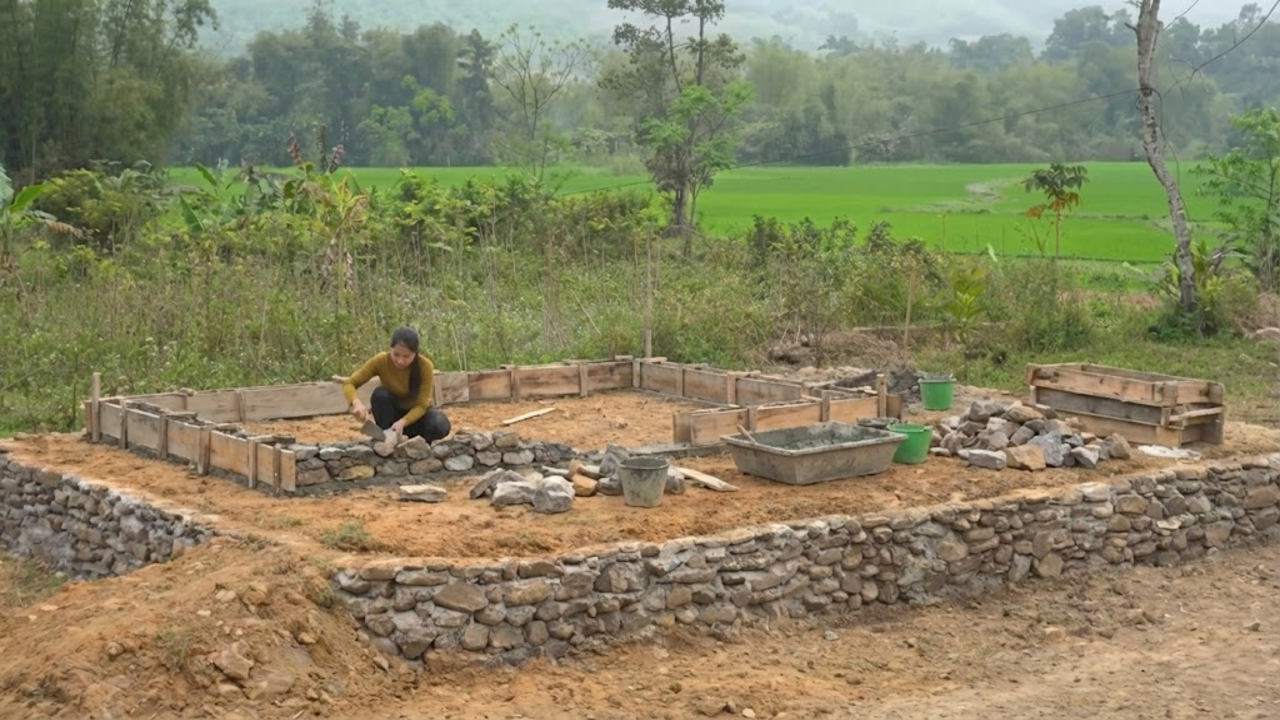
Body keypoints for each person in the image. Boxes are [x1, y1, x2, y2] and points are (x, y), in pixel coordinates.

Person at [342, 326, 451, 442]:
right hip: (392, 417)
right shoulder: (381, 361)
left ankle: (418, 444)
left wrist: (403, 422)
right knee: (381, 394)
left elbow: (422, 405)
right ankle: (387, 438)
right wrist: (356, 403)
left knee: (439, 424)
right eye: (396, 354)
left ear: (415, 353)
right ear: (391, 349)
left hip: (416, 418)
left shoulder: (425, 366)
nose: (400, 361)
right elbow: (350, 383)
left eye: (406, 356)